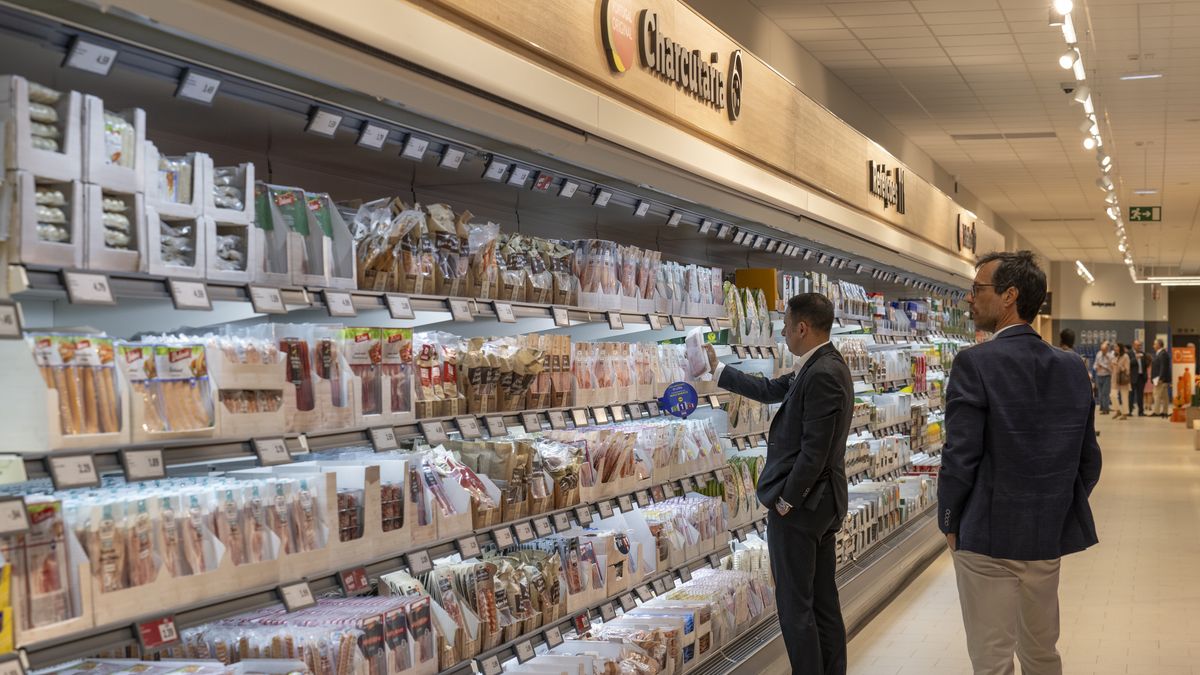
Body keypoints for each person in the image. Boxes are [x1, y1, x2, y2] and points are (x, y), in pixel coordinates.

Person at [939, 251, 1102, 675]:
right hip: (1045, 539)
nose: (969, 300)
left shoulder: (974, 363)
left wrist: (950, 520)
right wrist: (1053, 505)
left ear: (1009, 296)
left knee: (992, 658)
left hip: (987, 538)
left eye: (978, 290)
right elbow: (1089, 460)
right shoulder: (1072, 367)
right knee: (1042, 652)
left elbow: (960, 456)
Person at [698, 293, 852, 675]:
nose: (782, 332)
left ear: (802, 328)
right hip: (818, 504)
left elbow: (814, 454)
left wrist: (786, 500)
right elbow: (770, 390)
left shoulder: (823, 373)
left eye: (785, 325)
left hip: (805, 507)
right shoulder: (817, 365)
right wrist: (718, 371)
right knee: (820, 601)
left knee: (796, 607)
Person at [1129, 339, 1149, 416]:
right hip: (1133, 377)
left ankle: (1141, 412)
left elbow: (1146, 365)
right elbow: (1128, 363)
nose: (1139, 347)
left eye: (1140, 345)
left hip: (1141, 377)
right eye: (1138, 345)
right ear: (1134, 345)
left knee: (1140, 396)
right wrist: (1135, 358)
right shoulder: (1129, 353)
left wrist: (1147, 359)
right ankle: (1129, 411)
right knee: (1131, 395)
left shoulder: (1143, 354)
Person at [1152, 339, 1171, 417]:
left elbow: (1163, 367)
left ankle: (1156, 412)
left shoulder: (1162, 354)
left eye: (1154, 344)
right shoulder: (1160, 353)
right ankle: (1165, 412)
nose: (1153, 346)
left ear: (1159, 345)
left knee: (1156, 394)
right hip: (1161, 378)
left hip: (1160, 378)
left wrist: (1160, 378)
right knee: (1165, 396)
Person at [1093, 340, 1113, 414]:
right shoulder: (1098, 354)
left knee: (1105, 393)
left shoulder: (1110, 356)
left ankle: (1106, 409)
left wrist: (1103, 366)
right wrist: (1096, 367)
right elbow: (1095, 364)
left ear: (1107, 349)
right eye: (1102, 350)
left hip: (1107, 376)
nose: (1103, 351)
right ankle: (1102, 407)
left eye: (1104, 350)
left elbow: (1111, 368)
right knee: (1100, 393)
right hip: (1099, 375)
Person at [1112, 343, 1130, 420]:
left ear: (1120, 347)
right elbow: (1113, 368)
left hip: (1123, 379)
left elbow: (1127, 370)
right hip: (1115, 379)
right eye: (1114, 347)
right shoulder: (1116, 356)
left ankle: (1125, 413)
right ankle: (1118, 410)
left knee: (1124, 397)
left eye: (1116, 346)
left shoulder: (1125, 356)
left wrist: (1118, 365)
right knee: (1112, 395)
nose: (1115, 348)